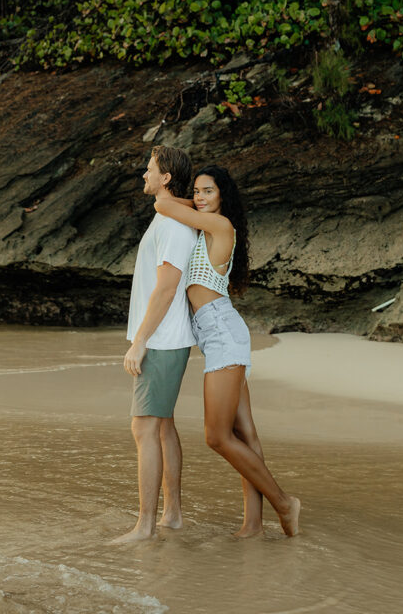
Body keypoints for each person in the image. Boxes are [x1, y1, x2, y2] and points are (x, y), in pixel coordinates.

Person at [154, 164, 300, 538]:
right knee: (245, 431)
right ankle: (253, 524)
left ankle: (284, 503)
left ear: (223, 197)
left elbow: (163, 206)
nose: (200, 198)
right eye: (198, 191)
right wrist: (197, 202)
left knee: (216, 436)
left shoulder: (222, 227)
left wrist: (184, 199)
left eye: (208, 192)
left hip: (222, 334)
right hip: (218, 332)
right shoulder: (205, 228)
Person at [111, 145, 198, 544]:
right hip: (167, 339)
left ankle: (144, 526)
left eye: (149, 169)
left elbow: (166, 287)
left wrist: (140, 341)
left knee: (143, 428)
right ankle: (172, 515)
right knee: (162, 428)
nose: (143, 175)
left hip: (162, 341)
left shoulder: (173, 227)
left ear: (166, 177)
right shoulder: (168, 219)